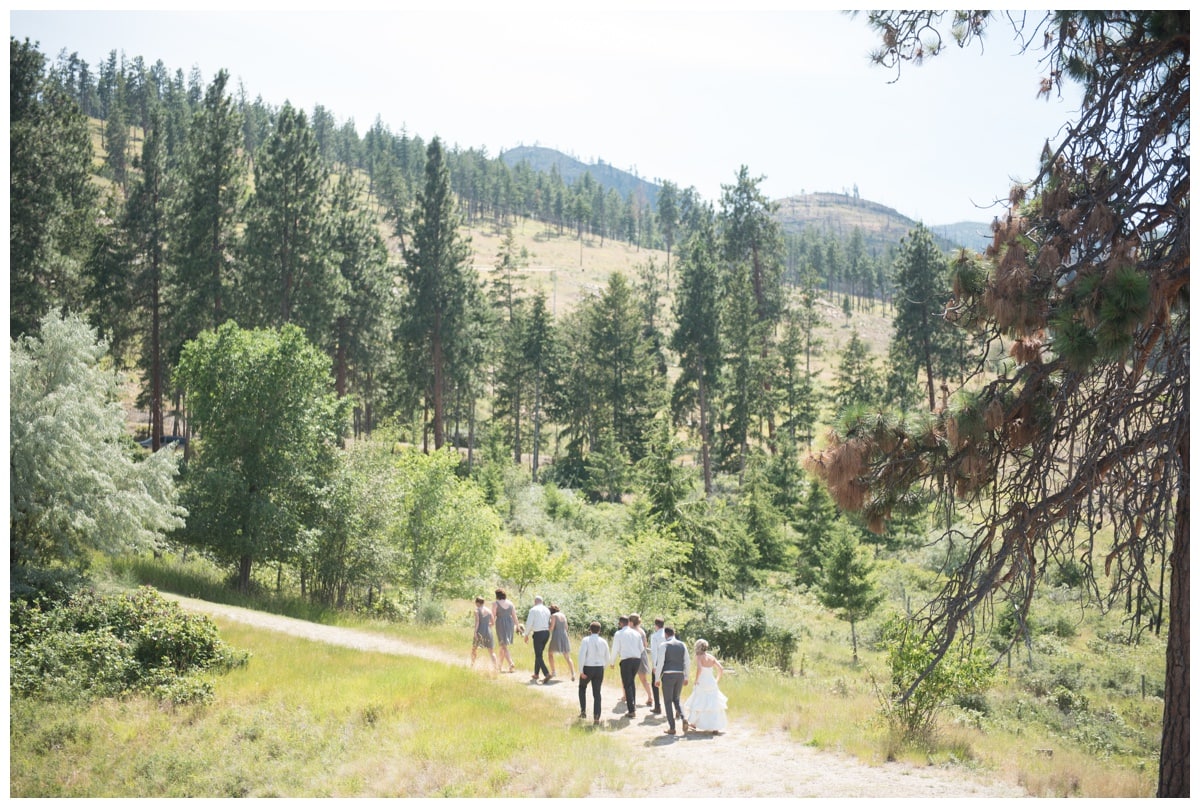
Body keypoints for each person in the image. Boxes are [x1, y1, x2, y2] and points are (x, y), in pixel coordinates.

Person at [683, 638, 727, 734]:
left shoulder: (698, 656)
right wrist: (717, 680)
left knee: (699, 702)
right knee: (714, 704)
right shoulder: (711, 657)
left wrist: (696, 679)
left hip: (702, 682)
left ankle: (694, 723)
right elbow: (721, 668)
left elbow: (699, 668)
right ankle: (715, 727)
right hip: (711, 682)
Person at [653, 626, 691, 735]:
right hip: (680, 674)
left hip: (668, 675)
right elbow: (687, 662)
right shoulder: (682, 645)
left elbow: (660, 663)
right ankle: (684, 717)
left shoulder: (664, 645)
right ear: (674, 633)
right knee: (677, 699)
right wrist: (686, 676)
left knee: (668, 701)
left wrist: (657, 678)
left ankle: (672, 727)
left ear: (665, 634)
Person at [609, 615, 644, 718]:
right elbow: (642, 649)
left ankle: (631, 710)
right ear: (628, 622)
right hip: (637, 660)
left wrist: (612, 662)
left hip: (626, 660)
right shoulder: (636, 633)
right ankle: (633, 705)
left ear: (620, 623)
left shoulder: (619, 634)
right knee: (631, 682)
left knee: (627, 684)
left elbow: (615, 648)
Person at [577, 621, 609, 724]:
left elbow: (582, 655)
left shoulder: (586, 640)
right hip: (599, 667)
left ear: (590, 629)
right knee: (597, 693)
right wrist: (603, 667)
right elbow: (607, 657)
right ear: (599, 630)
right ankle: (596, 717)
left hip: (588, 667)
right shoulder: (603, 641)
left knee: (582, 688)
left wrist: (581, 670)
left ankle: (583, 711)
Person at [629, 613, 654, 707]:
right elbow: (645, 644)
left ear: (631, 622)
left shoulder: (630, 631)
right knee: (644, 679)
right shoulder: (642, 631)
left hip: (632, 656)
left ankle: (625, 696)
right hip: (642, 655)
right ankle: (650, 697)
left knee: (628, 678)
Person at [525, 595, 552, 683]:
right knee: (539, 654)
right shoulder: (547, 610)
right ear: (542, 601)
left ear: (535, 601)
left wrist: (526, 634)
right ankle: (536, 674)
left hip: (538, 633)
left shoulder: (533, 610)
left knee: (538, 655)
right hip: (546, 633)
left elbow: (529, 623)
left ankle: (546, 673)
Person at [547, 604, 576, 681]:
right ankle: (573, 673)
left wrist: (547, 627)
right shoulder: (563, 615)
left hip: (556, 636)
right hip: (564, 635)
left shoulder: (553, 616)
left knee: (550, 653)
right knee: (567, 656)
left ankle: (553, 671)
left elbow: (552, 628)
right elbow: (566, 627)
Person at [492, 589, 518, 673]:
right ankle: (499, 666)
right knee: (503, 645)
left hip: (500, 623)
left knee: (503, 645)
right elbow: (514, 616)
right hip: (510, 624)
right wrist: (517, 625)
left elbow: (493, 615)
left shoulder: (495, 604)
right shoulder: (510, 603)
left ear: (497, 595)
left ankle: (511, 663)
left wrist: (490, 623)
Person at [470, 596, 498, 672]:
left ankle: (472, 665)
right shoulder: (489, 611)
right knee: (491, 651)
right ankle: (496, 668)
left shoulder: (476, 611)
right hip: (488, 631)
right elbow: (492, 623)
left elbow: (477, 622)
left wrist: (475, 632)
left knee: (474, 649)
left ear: (477, 603)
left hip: (480, 631)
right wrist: (486, 624)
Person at [648, 617, 666, 715]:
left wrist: (654, 665)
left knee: (655, 684)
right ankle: (675, 708)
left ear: (656, 625)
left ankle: (657, 706)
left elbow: (654, 651)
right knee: (667, 685)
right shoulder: (667, 634)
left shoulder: (655, 636)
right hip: (668, 662)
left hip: (659, 662)